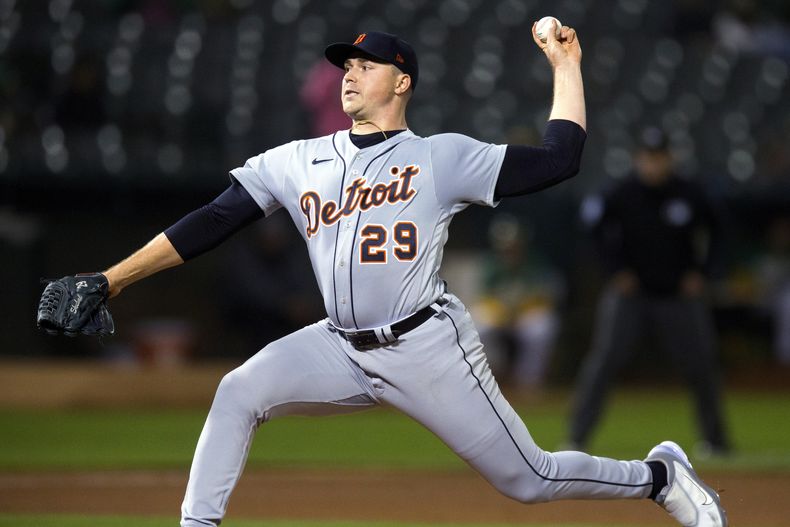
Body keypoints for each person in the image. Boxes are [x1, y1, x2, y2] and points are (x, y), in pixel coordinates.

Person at [84, 25, 726, 527]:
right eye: (346, 65)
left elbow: (560, 159)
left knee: (529, 480)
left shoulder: (438, 157)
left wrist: (566, 67)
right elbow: (213, 219)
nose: (350, 73)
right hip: (336, 344)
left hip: (426, 348)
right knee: (237, 392)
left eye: (367, 65)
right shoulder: (298, 160)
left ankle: (660, 478)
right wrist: (110, 280)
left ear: (402, 82)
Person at [568, 126, 730, 458]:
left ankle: (716, 441)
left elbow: (720, 231)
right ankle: (576, 439)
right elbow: (594, 233)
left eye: (659, 157)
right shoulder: (622, 192)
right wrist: (615, 272)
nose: (653, 164)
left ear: (670, 158)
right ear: (638, 158)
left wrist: (702, 273)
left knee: (701, 365)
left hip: (678, 295)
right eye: (648, 157)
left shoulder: (688, 192)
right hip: (632, 294)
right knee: (604, 361)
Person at [472, 214, 564, 389]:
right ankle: (490, 377)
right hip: (501, 314)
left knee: (541, 328)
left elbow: (547, 296)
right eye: (506, 246)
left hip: (525, 314)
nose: (510, 249)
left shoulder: (536, 262)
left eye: (513, 244)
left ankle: (528, 382)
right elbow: (485, 298)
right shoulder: (491, 265)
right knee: (479, 327)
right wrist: (504, 312)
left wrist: (521, 308)